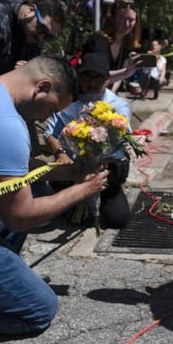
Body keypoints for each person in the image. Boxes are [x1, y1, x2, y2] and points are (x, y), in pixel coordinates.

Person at [0, 56, 109, 335]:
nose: (46, 118)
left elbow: (7, 171)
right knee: (39, 309)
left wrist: (68, 173)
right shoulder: (8, 126)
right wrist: (84, 189)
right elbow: (20, 217)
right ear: (42, 87)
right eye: (53, 108)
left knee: (5, 207)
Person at [44, 51, 132, 229]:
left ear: (107, 79)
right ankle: (70, 194)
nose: (91, 83)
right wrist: (60, 153)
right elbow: (50, 133)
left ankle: (104, 194)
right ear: (78, 77)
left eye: (97, 78)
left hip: (106, 169)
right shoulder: (66, 100)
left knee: (119, 220)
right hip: (73, 167)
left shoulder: (118, 105)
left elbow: (124, 140)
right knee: (75, 219)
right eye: (86, 77)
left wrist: (101, 165)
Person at [0, 0, 65, 76]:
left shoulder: (32, 35)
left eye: (48, 36)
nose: (41, 38)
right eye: (42, 29)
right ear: (30, 10)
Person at [82, 0, 141, 94]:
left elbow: (119, 77)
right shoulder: (98, 41)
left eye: (131, 20)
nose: (126, 24)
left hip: (106, 94)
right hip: (86, 94)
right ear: (112, 18)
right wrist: (126, 73)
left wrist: (112, 94)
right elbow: (97, 76)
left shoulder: (127, 44)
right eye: (122, 19)